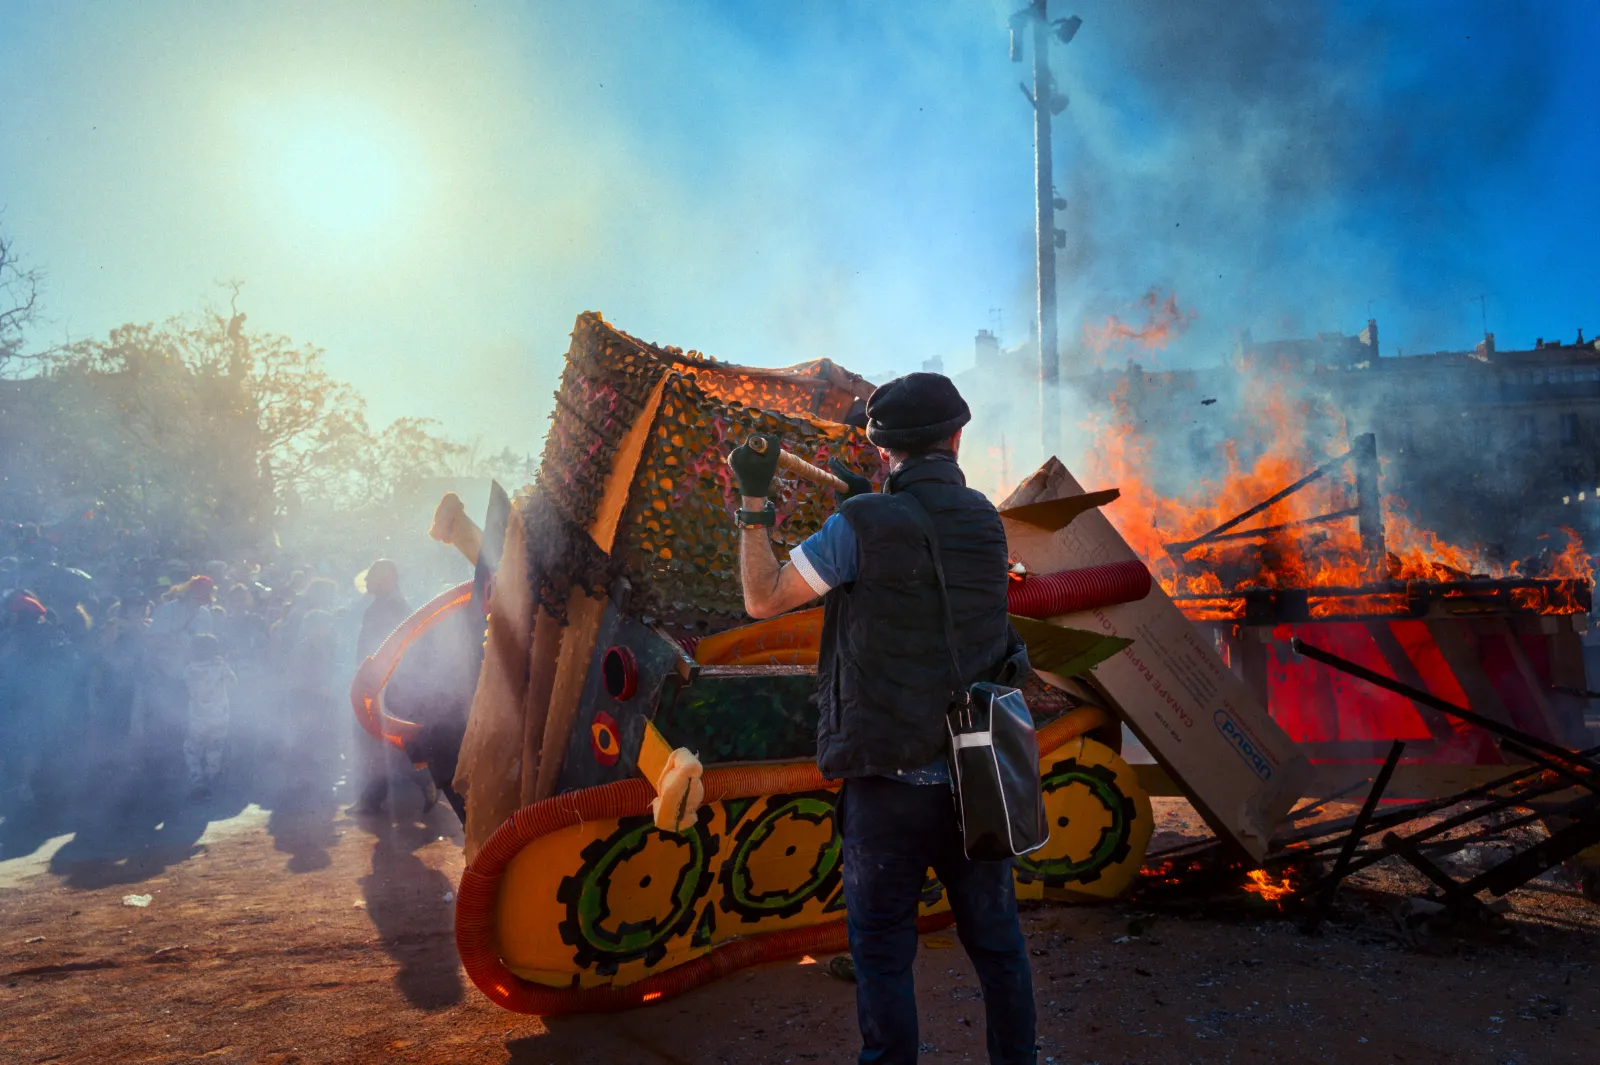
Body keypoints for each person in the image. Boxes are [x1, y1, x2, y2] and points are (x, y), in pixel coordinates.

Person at [730, 372, 1037, 1065]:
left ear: (881, 449)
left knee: (884, 958)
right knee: (999, 949)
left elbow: (762, 597)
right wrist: (866, 505)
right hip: (975, 778)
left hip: (887, 786)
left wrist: (753, 501)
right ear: (957, 438)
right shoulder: (988, 522)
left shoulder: (859, 526)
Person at [350, 559, 436, 816]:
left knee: (384, 740)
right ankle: (372, 797)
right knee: (380, 741)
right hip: (384, 681)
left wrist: (373, 679)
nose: (366, 582)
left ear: (386, 579)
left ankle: (425, 780)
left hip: (387, 684)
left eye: (372, 576)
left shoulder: (392, 607)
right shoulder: (386, 605)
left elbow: (392, 649)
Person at [183, 632, 235, 800]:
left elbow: (185, 685)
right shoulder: (221, 666)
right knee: (215, 748)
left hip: (198, 717)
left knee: (192, 748)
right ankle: (213, 777)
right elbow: (234, 682)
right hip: (220, 715)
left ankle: (197, 779)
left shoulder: (190, 668)